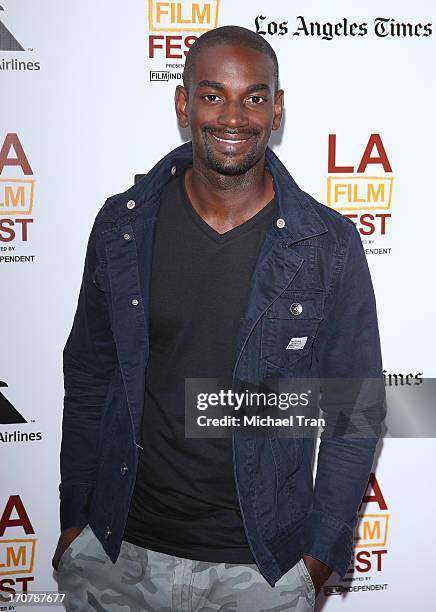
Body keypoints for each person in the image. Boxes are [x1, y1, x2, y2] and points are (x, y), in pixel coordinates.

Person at [52, 25, 384, 611]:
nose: (234, 116)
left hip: (261, 569)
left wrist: (319, 553)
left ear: (276, 110)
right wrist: (76, 513)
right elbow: (88, 374)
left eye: (254, 97)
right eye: (212, 95)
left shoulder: (327, 244)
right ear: (183, 104)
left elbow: (355, 408)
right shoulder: (122, 227)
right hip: (120, 553)